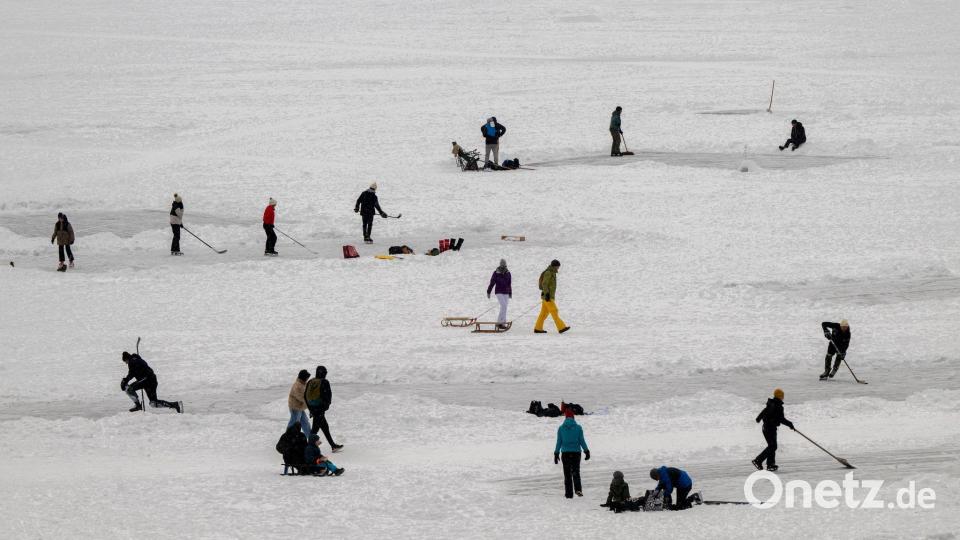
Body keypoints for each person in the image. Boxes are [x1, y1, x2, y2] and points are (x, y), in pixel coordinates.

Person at [752, 388, 795, 472]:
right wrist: (790, 424)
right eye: (782, 396)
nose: (783, 397)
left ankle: (770, 464)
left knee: (772, 446)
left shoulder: (771, 403)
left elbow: (764, 411)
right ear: (780, 396)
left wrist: (758, 418)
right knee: (773, 446)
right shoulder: (778, 406)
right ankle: (758, 460)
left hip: (766, 427)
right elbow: (781, 419)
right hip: (770, 428)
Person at [304, 365, 343, 451]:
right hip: (319, 410)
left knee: (322, 427)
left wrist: (311, 409)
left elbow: (305, 396)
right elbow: (328, 396)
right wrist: (325, 407)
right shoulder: (324, 382)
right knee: (316, 429)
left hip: (313, 409)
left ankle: (333, 445)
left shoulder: (310, 381)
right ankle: (306, 448)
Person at [554, 407, 590, 498]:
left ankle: (569, 494)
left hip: (565, 454)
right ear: (573, 417)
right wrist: (586, 451)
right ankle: (578, 490)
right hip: (576, 453)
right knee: (576, 472)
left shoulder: (561, 428)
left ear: (565, 417)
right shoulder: (578, 428)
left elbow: (559, 442)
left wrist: (556, 453)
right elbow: (581, 440)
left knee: (567, 474)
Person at [535, 259, 570, 334]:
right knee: (554, 310)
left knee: (544, 313)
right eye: (558, 266)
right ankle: (561, 327)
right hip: (548, 296)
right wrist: (547, 294)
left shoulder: (552, 272)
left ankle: (538, 328)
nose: (558, 268)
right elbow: (544, 283)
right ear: (554, 266)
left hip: (548, 296)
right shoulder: (548, 272)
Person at [487, 259, 512, 330]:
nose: (503, 266)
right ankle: (499, 322)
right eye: (502, 264)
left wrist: (510, 292)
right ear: (500, 264)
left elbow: (509, 284)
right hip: (499, 292)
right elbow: (492, 282)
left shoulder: (508, 273)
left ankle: (503, 322)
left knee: (505, 307)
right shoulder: (496, 272)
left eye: (504, 265)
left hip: (506, 292)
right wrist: (488, 291)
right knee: (503, 306)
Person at [287, 370, 311, 438]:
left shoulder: (303, 384)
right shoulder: (297, 386)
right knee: (293, 423)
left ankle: (310, 438)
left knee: (305, 423)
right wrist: (310, 401)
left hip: (300, 407)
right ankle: (287, 437)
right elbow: (301, 397)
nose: (307, 379)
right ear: (303, 377)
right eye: (307, 377)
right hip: (295, 407)